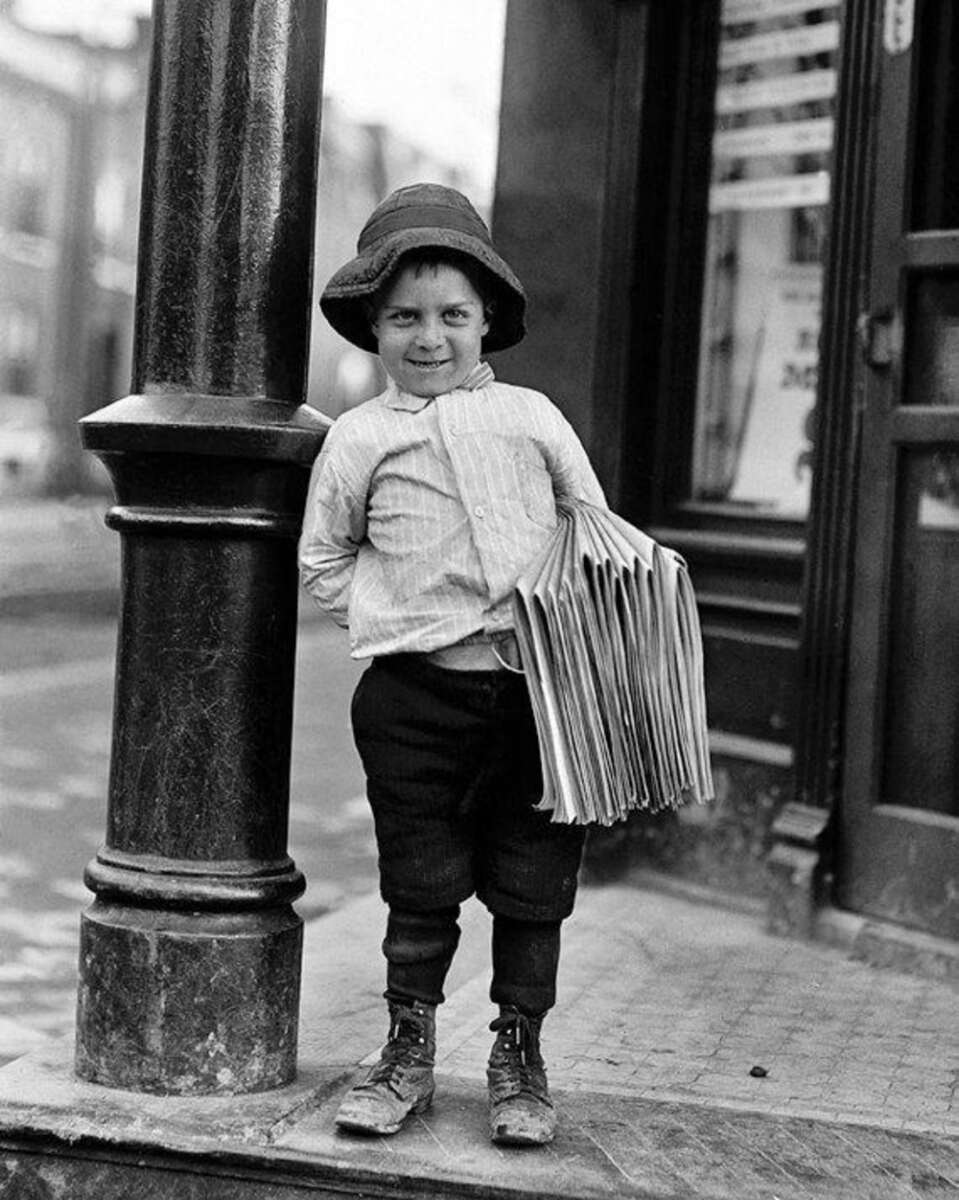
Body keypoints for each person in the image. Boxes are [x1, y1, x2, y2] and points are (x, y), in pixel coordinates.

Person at [298, 182, 606, 1146]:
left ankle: (519, 1059)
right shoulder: (357, 438)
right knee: (418, 884)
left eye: (451, 316)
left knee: (531, 886)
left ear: (485, 323)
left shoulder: (531, 417)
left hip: (536, 698)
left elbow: (592, 533)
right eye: (403, 317)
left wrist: (565, 618)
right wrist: (399, 615)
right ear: (373, 327)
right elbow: (323, 558)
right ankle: (407, 1051)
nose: (428, 337)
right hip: (411, 700)